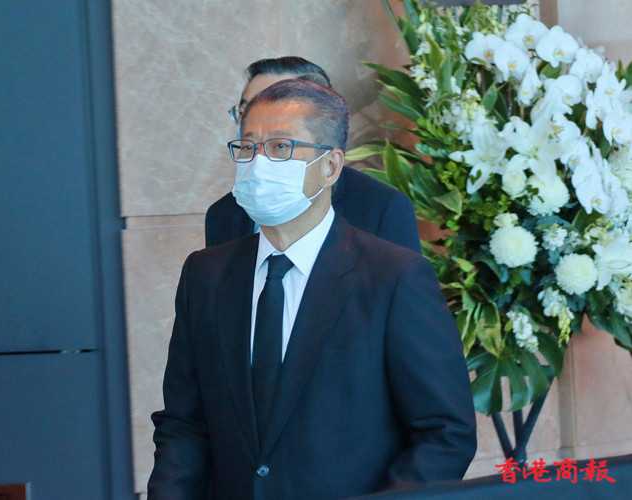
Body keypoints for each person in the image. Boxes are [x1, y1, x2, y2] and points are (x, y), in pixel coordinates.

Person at [149, 79, 477, 500]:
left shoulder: (392, 276)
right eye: (248, 147)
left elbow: (445, 432)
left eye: (281, 147)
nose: (258, 163)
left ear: (331, 166)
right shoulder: (206, 274)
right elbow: (184, 423)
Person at [205, 56, 421, 252]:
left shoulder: (382, 208)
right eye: (245, 112)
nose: (256, 120)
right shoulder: (222, 215)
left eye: (277, 106)